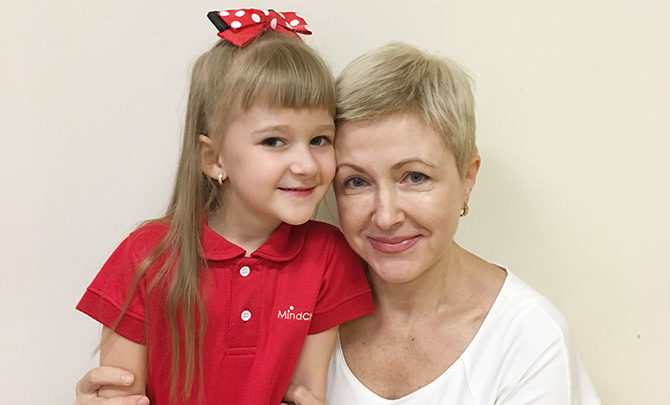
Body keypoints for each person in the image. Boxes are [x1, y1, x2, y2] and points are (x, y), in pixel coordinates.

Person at [75, 42, 601, 405]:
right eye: (355, 182)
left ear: (466, 180)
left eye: (415, 177)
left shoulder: (528, 339)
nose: (387, 215)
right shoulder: (305, 285)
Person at [74, 8, 374, 405]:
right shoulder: (145, 256)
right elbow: (119, 394)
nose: (305, 165)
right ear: (214, 158)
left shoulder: (328, 256)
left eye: (320, 139)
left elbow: (304, 394)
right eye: (274, 141)